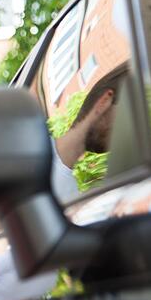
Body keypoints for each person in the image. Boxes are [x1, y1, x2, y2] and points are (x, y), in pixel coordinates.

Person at [51, 65, 128, 201]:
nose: (126, 129)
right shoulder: (26, 150)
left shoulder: (71, 197)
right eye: (127, 114)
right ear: (104, 102)